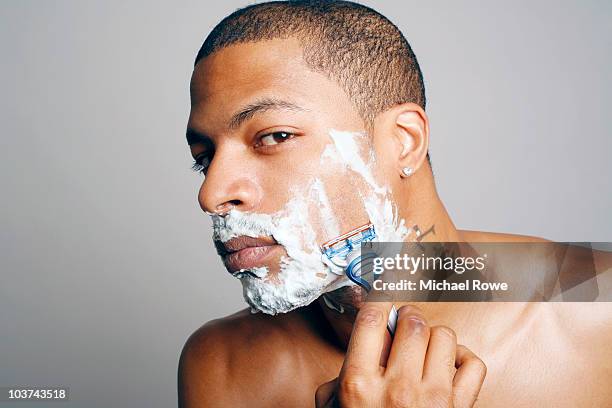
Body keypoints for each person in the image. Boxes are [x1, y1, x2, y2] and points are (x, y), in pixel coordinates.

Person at [178, 1, 612, 406]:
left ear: (404, 142)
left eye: (274, 136)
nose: (211, 195)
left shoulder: (598, 307)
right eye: (204, 159)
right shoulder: (222, 364)